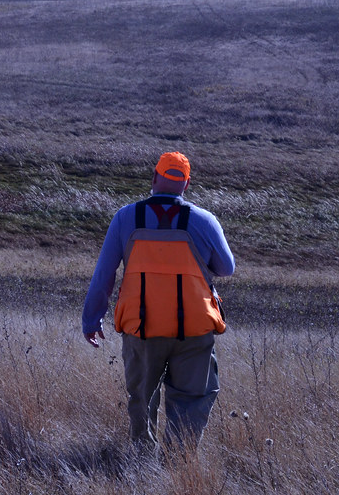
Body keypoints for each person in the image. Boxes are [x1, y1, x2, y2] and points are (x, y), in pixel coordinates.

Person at [81, 151, 234, 455]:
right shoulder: (204, 220)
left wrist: (91, 319)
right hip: (194, 328)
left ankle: (143, 460)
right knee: (191, 398)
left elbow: (105, 273)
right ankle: (177, 462)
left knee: (142, 397)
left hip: (142, 328)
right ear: (186, 184)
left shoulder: (126, 217)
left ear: (154, 178)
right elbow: (226, 268)